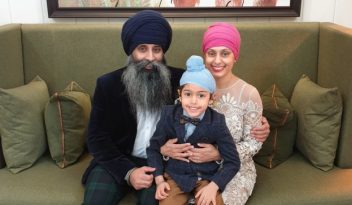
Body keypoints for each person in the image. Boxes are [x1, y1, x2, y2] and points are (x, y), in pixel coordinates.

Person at [82, 10, 269, 205]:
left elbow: (210, 108)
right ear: (131, 51)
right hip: (116, 161)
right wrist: (129, 172)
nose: (150, 57)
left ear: (163, 52)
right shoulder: (107, 84)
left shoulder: (182, 82)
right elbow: (96, 138)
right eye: (142, 49)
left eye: (157, 49)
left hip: (161, 165)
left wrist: (261, 125)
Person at [161, 22, 263, 205]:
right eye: (211, 53)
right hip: (190, 168)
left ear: (235, 56)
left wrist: (219, 154)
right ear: (204, 55)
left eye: (225, 53)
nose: (217, 60)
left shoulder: (249, 93)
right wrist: (166, 150)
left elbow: (254, 142)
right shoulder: (191, 86)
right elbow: (174, 126)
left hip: (234, 168)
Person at [147, 55, 240, 205]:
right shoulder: (168, 115)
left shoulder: (217, 121)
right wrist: (159, 180)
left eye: (201, 95)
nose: (193, 101)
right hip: (175, 176)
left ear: (211, 98)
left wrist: (214, 186)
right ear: (180, 95)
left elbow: (233, 161)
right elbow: (153, 149)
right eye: (188, 94)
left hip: (206, 178)